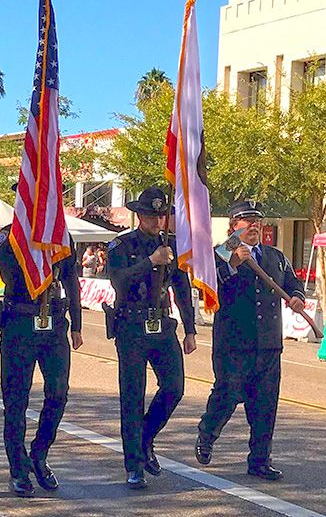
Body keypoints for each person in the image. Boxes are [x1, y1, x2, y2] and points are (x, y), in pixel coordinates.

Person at [196, 200, 305, 482]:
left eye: (257, 220)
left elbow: (293, 283)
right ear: (234, 226)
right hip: (233, 343)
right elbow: (208, 289)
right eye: (247, 220)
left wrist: (296, 298)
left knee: (265, 404)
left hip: (268, 343)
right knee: (227, 394)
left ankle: (260, 460)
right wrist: (233, 262)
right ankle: (207, 434)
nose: (254, 225)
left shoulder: (274, 256)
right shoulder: (219, 254)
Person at [106, 187, 196, 490]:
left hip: (161, 325)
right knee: (132, 396)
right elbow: (117, 280)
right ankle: (134, 465)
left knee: (174, 387)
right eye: (149, 215)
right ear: (139, 215)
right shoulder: (121, 245)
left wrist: (191, 328)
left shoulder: (171, 246)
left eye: (160, 215)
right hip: (131, 326)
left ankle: (145, 438)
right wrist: (150, 261)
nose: (156, 220)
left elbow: (182, 289)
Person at [0, 194, 83, 497]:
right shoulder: (8, 237)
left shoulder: (61, 236)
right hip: (20, 322)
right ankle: (17, 468)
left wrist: (78, 323)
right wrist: (37, 249)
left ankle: (39, 453)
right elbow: (13, 278)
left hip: (54, 324)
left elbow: (71, 279)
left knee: (58, 393)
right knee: (16, 401)